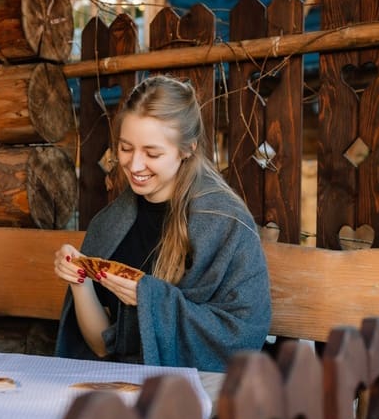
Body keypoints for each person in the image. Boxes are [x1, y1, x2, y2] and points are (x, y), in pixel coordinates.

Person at [53, 75, 271, 371]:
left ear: (187, 149)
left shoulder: (225, 224)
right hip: (118, 384)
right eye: (126, 148)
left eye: (152, 153)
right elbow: (103, 348)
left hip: (200, 391)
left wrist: (151, 300)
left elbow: (241, 337)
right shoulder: (109, 225)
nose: (134, 164)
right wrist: (79, 280)